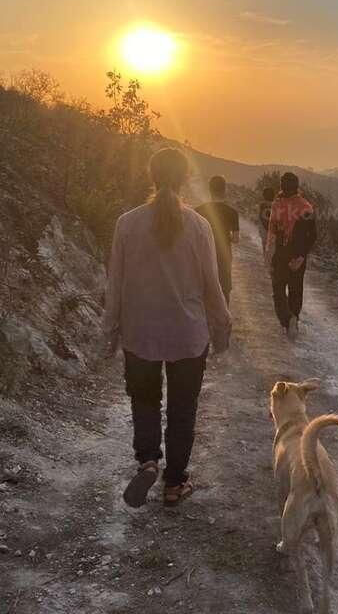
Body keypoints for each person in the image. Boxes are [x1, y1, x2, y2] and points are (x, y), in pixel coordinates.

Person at [103, 148, 231, 509]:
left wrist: (109, 333)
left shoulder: (126, 224)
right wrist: (222, 330)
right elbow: (211, 286)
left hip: (139, 334)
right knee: (182, 409)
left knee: (144, 401)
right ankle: (175, 483)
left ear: (151, 174)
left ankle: (147, 462)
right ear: (185, 177)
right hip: (188, 337)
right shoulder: (200, 227)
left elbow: (115, 285)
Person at [265, 172, 317, 339]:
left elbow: (271, 232)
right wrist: (301, 256)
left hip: (281, 253)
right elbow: (312, 235)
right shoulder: (306, 207)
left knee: (278, 288)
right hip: (298, 254)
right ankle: (294, 320)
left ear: (281, 186)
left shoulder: (276, 205)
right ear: (297, 186)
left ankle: (288, 319)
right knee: (296, 289)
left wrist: (269, 255)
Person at [195, 175, 240, 304]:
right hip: (224, 255)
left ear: (210, 190)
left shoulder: (199, 211)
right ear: (224, 190)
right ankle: (223, 321)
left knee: (204, 289)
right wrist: (226, 236)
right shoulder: (232, 212)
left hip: (204, 255)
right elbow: (236, 239)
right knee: (224, 289)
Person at [257, 186, 276, 255]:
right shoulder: (276, 205)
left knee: (265, 249)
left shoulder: (262, 205)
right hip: (273, 232)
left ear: (264, 195)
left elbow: (260, 218)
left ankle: (266, 262)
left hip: (264, 232)